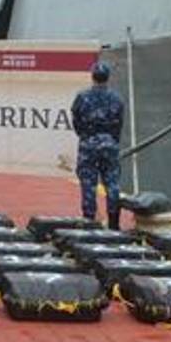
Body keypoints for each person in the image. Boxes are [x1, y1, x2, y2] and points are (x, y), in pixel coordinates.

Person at [70, 61, 125, 229]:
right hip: (109, 143)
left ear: (92, 76)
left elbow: (76, 120)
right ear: (108, 77)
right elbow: (119, 124)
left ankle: (89, 221)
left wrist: (85, 136)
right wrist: (112, 141)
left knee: (88, 183)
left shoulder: (82, 97)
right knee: (112, 183)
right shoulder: (117, 98)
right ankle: (114, 222)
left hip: (88, 144)